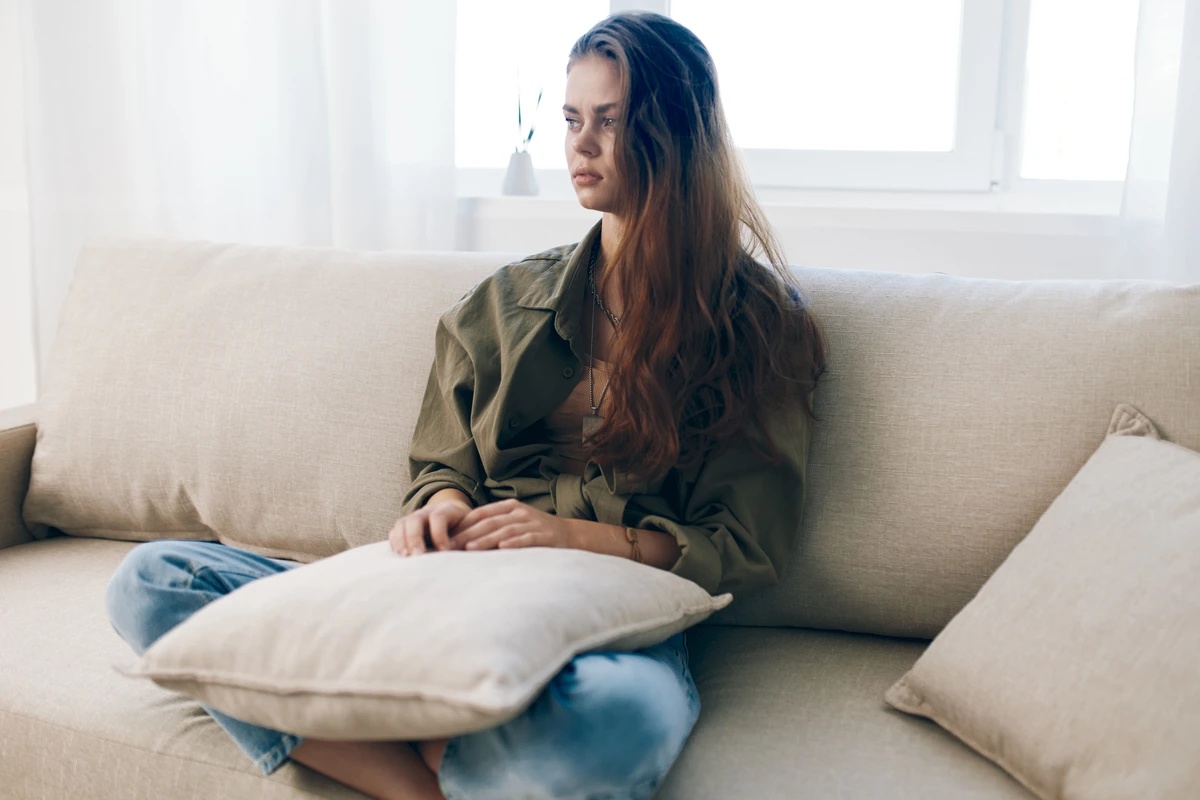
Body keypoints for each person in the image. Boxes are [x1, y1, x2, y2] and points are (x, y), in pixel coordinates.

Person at [105, 10, 826, 800]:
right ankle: (424, 785)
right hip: (452, 590)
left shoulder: (758, 326)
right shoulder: (503, 302)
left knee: (613, 727)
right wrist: (438, 507)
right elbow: (439, 466)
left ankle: (408, 737)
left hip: (615, 620)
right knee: (154, 581)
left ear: (678, 135)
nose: (579, 146)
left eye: (609, 123)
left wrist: (569, 536)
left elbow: (747, 543)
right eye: (571, 120)